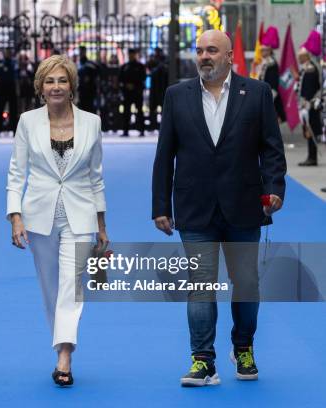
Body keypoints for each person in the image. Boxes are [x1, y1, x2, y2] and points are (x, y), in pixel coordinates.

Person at [152, 30, 286, 387]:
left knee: (245, 284)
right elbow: (165, 153)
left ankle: (243, 346)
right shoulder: (177, 96)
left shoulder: (257, 94)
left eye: (212, 50)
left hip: (244, 206)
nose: (204, 56)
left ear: (230, 57)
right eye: (199, 51)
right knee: (200, 284)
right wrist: (160, 205)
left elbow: (272, 149)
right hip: (194, 208)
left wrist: (274, 189)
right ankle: (202, 360)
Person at [6, 55, 108, 387]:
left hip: (80, 216)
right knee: (51, 289)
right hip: (38, 216)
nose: (56, 87)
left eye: (62, 80)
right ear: (40, 87)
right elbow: (16, 172)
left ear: (72, 86)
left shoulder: (92, 122)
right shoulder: (27, 121)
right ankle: (61, 343)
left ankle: (65, 354)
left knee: (71, 285)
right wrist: (15, 216)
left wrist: (102, 226)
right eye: (50, 81)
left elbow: (96, 178)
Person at [297, 30, 322, 167]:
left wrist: (305, 105)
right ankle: (310, 156)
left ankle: (313, 157)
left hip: (310, 105)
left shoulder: (311, 69)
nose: (299, 58)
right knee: (307, 131)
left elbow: (309, 89)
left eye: (301, 56)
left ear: (306, 56)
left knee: (311, 130)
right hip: (305, 105)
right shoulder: (306, 68)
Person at [258, 27, 286, 123]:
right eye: (261, 51)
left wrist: (265, 102)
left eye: (263, 51)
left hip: (270, 102)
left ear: (269, 50)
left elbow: (273, 87)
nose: (261, 53)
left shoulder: (272, 64)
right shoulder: (264, 63)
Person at [120, 48, 146, 136]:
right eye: (130, 54)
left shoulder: (140, 66)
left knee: (139, 111)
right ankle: (125, 130)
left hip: (137, 92)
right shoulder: (124, 66)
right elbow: (121, 79)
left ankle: (142, 130)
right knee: (126, 112)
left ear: (135, 55)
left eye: (132, 54)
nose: (131, 56)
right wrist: (126, 85)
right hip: (127, 93)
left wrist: (134, 85)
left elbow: (143, 77)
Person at [146, 47, 168, 132]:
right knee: (153, 107)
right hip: (155, 87)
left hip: (162, 86)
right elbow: (149, 67)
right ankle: (153, 125)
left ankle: (162, 125)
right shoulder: (153, 60)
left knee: (163, 108)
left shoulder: (164, 59)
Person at [77, 46, 100, 114]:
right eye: (80, 52)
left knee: (89, 111)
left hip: (89, 91)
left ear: (85, 52)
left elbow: (98, 73)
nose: (81, 53)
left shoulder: (90, 64)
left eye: (82, 52)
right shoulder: (79, 64)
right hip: (81, 91)